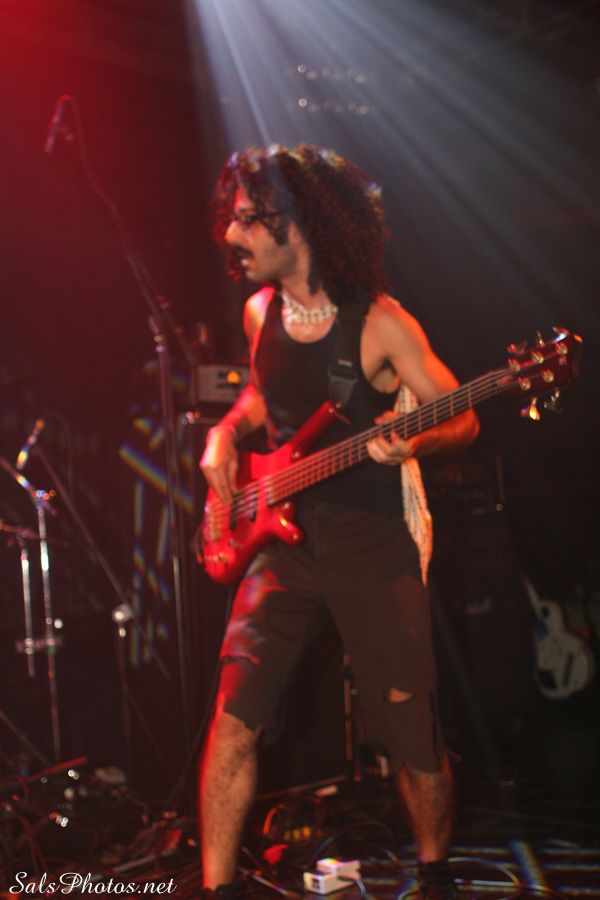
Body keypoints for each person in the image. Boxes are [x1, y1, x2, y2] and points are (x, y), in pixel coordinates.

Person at [198, 144, 479, 899]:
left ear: (301, 225)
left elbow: (464, 417)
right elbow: (263, 396)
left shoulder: (382, 323)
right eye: (233, 218)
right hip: (281, 544)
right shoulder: (260, 312)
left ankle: (434, 876)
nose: (232, 234)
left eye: (250, 220)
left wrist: (416, 441)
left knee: (410, 733)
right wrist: (225, 433)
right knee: (233, 718)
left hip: (371, 541)